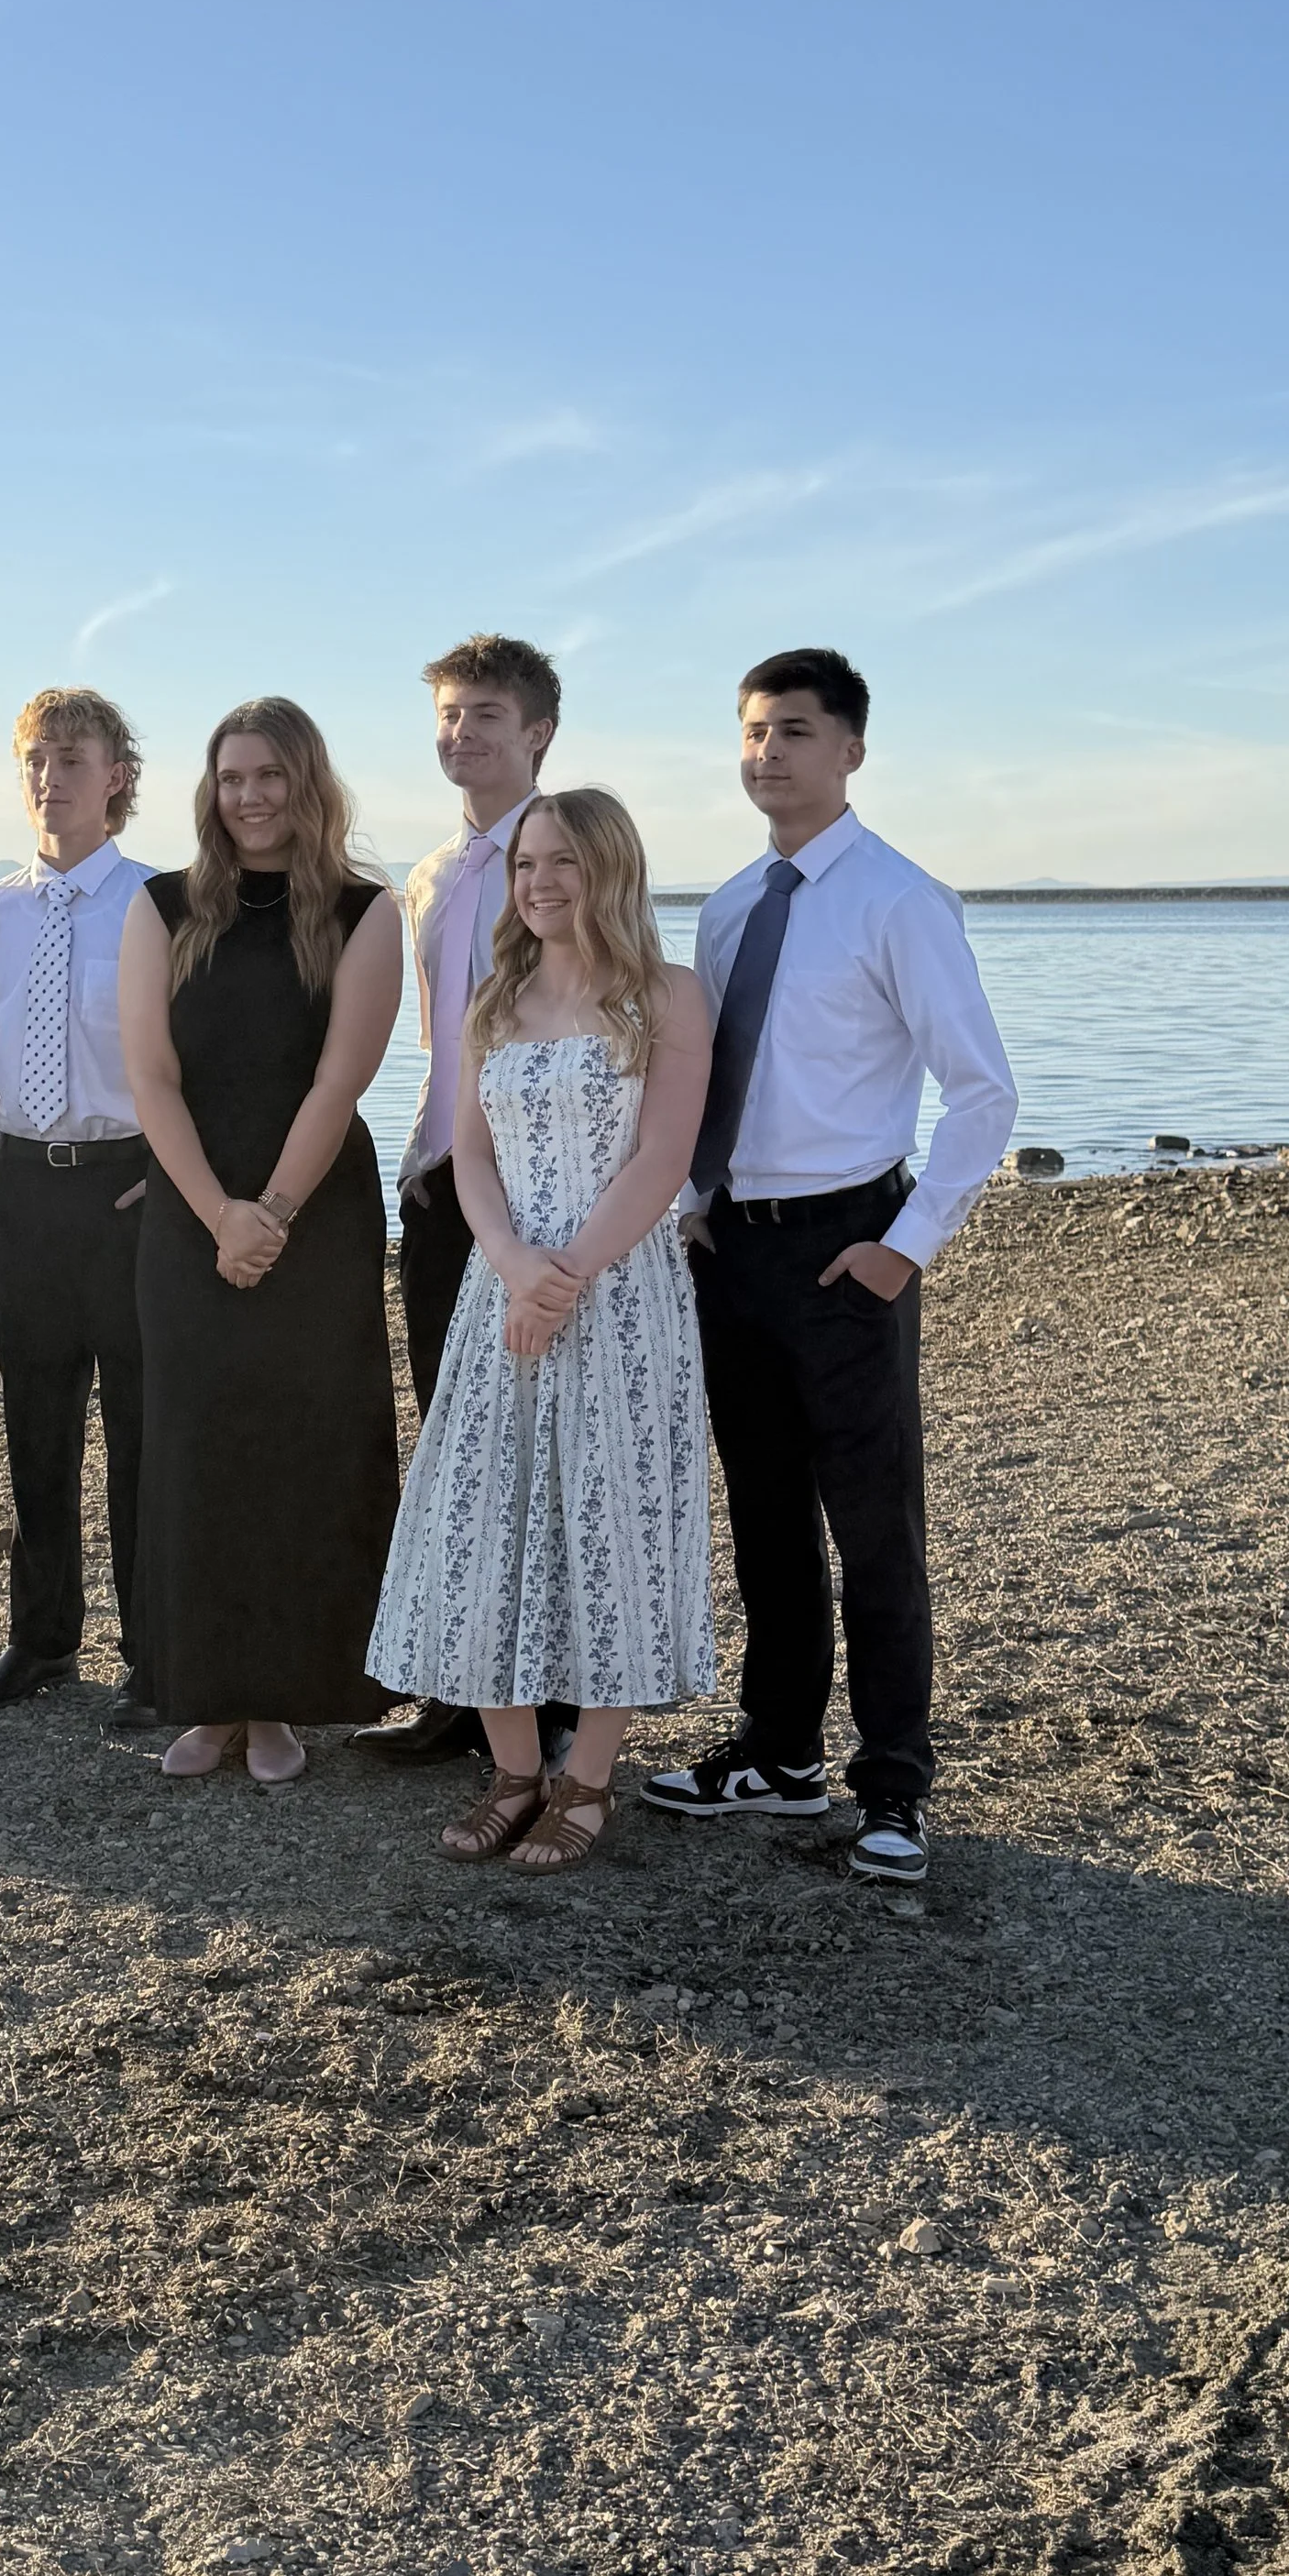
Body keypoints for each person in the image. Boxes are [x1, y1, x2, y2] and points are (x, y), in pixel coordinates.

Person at [644, 649, 1017, 1884]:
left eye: (794, 732)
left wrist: (903, 1250)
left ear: (851, 749)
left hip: (844, 1249)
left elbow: (982, 1094)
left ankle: (895, 1788)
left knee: (874, 1532)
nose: (768, 754)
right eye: (752, 732)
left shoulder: (901, 901)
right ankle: (781, 1754)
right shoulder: (735, 903)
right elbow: (709, 1074)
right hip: (734, 1251)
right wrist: (695, 1201)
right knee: (763, 1518)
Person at [369, 789, 715, 1868]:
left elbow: (663, 1160)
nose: (540, 882)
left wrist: (569, 1275)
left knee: (612, 1524)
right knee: (483, 1518)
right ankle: (512, 1771)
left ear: (611, 868)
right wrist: (518, 1268)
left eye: (563, 861)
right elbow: (467, 1153)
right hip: (502, 1295)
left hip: (622, 1296)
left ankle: (588, 1782)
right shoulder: (494, 998)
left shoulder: (668, 997)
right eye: (525, 864)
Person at [117, 697, 402, 1780]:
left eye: (270, 776)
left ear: (308, 784)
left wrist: (271, 1214)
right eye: (232, 778)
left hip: (315, 1211)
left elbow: (343, 1077)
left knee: (303, 1447)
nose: (249, 797)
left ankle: (284, 1700)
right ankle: (205, 1694)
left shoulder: (365, 913)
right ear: (210, 787)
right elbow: (149, 1075)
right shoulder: (160, 906)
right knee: (193, 1444)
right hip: (191, 1208)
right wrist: (216, 1214)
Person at [351, 633, 575, 1774]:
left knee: (553, 1448)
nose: (460, 734)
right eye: (446, 714)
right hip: (441, 1186)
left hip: (550, 1192)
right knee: (457, 1443)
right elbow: (431, 1043)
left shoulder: (573, 858)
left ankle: (563, 1704)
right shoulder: (429, 877)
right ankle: (462, 1693)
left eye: (484, 714)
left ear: (536, 731)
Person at [0, 688, 157, 1723]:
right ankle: (39, 1642)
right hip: (21, 1187)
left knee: (144, 1427)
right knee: (35, 1421)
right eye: (34, 757)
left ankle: (154, 1654)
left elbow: (194, 1054)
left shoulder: (164, 901)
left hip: (130, 1188)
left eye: (72, 757)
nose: (49, 776)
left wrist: (171, 1168)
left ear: (116, 774)